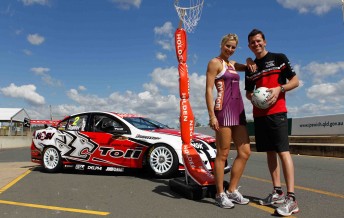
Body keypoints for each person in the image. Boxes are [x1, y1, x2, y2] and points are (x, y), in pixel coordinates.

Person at [245, 29, 300, 216]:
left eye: (258, 41)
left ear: (265, 42)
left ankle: (291, 199)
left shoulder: (279, 58)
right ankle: (277, 192)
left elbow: (295, 81)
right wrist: (254, 97)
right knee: (270, 153)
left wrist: (279, 89)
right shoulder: (250, 68)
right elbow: (248, 92)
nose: (256, 44)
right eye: (252, 42)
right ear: (249, 45)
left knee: (283, 152)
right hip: (259, 115)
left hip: (277, 113)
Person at [205, 33, 255, 209]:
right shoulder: (214, 63)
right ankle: (220, 193)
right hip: (223, 111)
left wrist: (249, 58)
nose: (230, 49)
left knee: (245, 152)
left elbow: (248, 66)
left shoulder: (232, 64)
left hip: (239, 111)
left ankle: (232, 190)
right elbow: (208, 90)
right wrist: (211, 115)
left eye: (233, 47)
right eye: (228, 46)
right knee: (223, 154)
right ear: (222, 44)